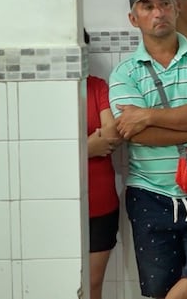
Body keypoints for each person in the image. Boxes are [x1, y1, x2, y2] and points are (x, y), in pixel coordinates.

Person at [109, 0, 187, 299]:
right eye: (147, 7)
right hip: (150, 195)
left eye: (164, 4)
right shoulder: (125, 73)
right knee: (160, 289)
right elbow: (136, 135)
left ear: (176, 10)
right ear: (134, 19)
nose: (158, 12)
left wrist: (147, 115)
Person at [84, 29, 121, 299]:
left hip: (101, 202)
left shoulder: (97, 86)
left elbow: (111, 134)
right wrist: (86, 148)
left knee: (93, 283)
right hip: (58, 204)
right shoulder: (44, 92)